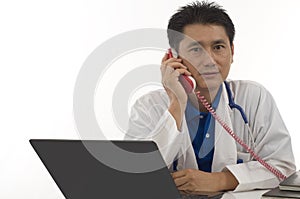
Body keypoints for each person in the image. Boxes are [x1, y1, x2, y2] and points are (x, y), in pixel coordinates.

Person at [125, 1, 296, 193]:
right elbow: (134, 175)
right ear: (173, 57)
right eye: (196, 49)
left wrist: (222, 180)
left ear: (232, 51)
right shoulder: (148, 106)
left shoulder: (253, 97)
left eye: (218, 47)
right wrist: (176, 103)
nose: (209, 60)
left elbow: (283, 167)